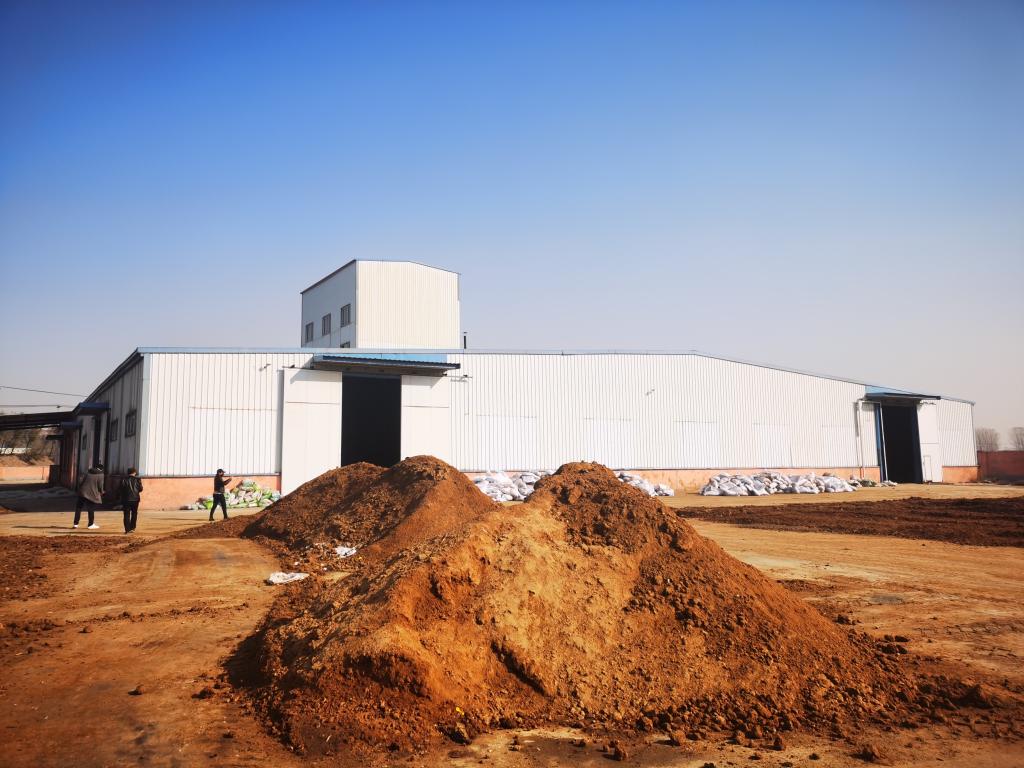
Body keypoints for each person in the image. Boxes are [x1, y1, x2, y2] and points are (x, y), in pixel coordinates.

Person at [74, 463, 105, 530]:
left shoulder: (87, 472)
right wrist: (102, 491)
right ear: (101, 469)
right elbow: (100, 485)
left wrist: (80, 488)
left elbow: (80, 481)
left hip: (82, 492)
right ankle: (90, 524)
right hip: (91, 494)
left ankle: (75, 524)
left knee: (78, 508)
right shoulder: (101, 475)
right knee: (90, 509)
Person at [120, 468, 143, 534]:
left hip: (126, 499)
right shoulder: (138, 479)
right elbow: (140, 489)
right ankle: (133, 528)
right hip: (135, 499)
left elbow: (121, 489)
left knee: (126, 514)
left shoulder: (123, 479)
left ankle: (127, 529)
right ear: (134, 472)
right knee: (134, 513)